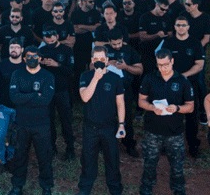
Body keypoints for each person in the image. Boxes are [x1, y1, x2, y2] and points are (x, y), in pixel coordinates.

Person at [137, 49, 195, 195]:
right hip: (153, 131)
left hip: (174, 133)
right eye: (159, 65)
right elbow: (141, 101)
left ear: (172, 61)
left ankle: (178, 190)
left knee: (177, 166)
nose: (163, 68)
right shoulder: (149, 78)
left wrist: (176, 108)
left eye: (165, 64)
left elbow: (190, 107)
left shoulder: (182, 81)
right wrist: (152, 107)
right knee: (149, 164)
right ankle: (146, 188)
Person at [77, 46, 127, 195]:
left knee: (112, 161)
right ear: (92, 60)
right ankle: (85, 189)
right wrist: (95, 78)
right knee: (88, 161)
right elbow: (85, 97)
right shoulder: (85, 76)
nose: (99, 61)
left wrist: (121, 124)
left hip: (109, 128)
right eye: (96, 59)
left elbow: (120, 103)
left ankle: (115, 189)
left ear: (107, 60)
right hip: (90, 127)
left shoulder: (115, 78)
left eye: (102, 59)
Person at [7, 46, 56, 195]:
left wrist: (25, 96)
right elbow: (14, 98)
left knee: (44, 157)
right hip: (22, 123)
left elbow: (46, 100)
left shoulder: (48, 76)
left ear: (40, 59)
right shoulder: (17, 74)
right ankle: (17, 186)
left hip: (41, 124)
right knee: (20, 156)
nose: (32, 59)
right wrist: (36, 95)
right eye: (29, 57)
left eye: (35, 57)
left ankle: (46, 186)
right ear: (24, 59)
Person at [160, 16, 206, 157]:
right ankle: (166, 145)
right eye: (178, 25)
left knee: (192, 116)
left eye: (183, 25)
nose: (181, 27)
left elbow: (199, 64)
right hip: (170, 83)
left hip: (189, 83)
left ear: (188, 27)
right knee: (168, 113)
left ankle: (192, 146)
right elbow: (161, 61)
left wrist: (184, 75)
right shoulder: (168, 42)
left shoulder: (195, 43)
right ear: (174, 26)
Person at [38, 25, 76, 159]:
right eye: (47, 36)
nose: (50, 38)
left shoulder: (66, 50)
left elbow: (71, 72)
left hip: (62, 91)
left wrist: (57, 65)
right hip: (47, 92)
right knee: (49, 121)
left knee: (66, 121)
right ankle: (52, 148)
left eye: (52, 35)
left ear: (57, 36)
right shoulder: (41, 51)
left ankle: (70, 148)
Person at [0, 38, 26, 167]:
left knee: (15, 137)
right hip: (2, 108)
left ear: (21, 50)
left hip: (20, 108)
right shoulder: (0, 65)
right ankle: (0, 160)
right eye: (11, 48)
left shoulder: (26, 67)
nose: (14, 50)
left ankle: (11, 159)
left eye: (16, 47)